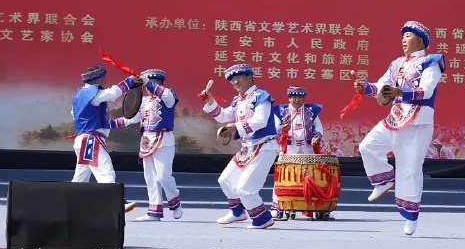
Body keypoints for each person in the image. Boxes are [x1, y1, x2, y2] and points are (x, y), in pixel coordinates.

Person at [353, 20, 445, 236]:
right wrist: (365, 87)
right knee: (368, 146)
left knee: (409, 168)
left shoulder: (431, 62)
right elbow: (382, 85)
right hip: (395, 117)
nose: (404, 40)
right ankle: (384, 179)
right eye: (402, 36)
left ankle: (411, 216)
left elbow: (427, 91)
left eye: (408, 36)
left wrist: (399, 92)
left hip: (418, 121)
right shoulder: (397, 63)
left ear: (420, 40)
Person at [201, 64, 277, 229]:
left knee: (245, 188)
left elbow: (260, 121)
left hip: (264, 146)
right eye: (232, 80)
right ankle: (238, 212)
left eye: (239, 78)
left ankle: (262, 219)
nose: (235, 82)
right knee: (225, 180)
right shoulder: (238, 101)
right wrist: (211, 102)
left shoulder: (261, 96)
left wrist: (235, 126)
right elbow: (223, 116)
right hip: (247, 148)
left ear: (250, 77)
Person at [71, 63, 140, 212]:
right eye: (104, 78)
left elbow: (105, 124)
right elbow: (113, 93)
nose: (105, 81)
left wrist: (130, 120)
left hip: (85, 140)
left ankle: (69, 205)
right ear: (99, 79)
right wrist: (129, 81)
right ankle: (116, 202)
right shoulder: (93, 94)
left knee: (80, 178)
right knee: (105, 171)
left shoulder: (80, 97)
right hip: (90, 141)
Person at [131, 69, 183, 222]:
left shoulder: (168, 95)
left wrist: (148, 82)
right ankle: (154, 211)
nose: (147, 86)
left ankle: (174, 201)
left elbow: (167, 96)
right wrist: (111, 123)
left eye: (150, 83)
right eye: (146, 83)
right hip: (146, 140)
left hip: (163, 138)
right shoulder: (144, 101)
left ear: (159, 82)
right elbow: (133, 118)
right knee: (150, 178)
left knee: (163, 176)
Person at [271, 86, 326, 220]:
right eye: (294, 97)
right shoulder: (280, 111)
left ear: (304, 98)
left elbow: (319, 128)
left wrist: (316, 137)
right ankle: (278, 207)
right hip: (289, 149)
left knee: (312, 177)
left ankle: (317, 207)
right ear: (289, 98)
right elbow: (275, 129)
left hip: (308, 149)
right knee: (283, 177)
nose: (297, 100)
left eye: (300, 97)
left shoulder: (311, 110)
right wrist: (282, 129)